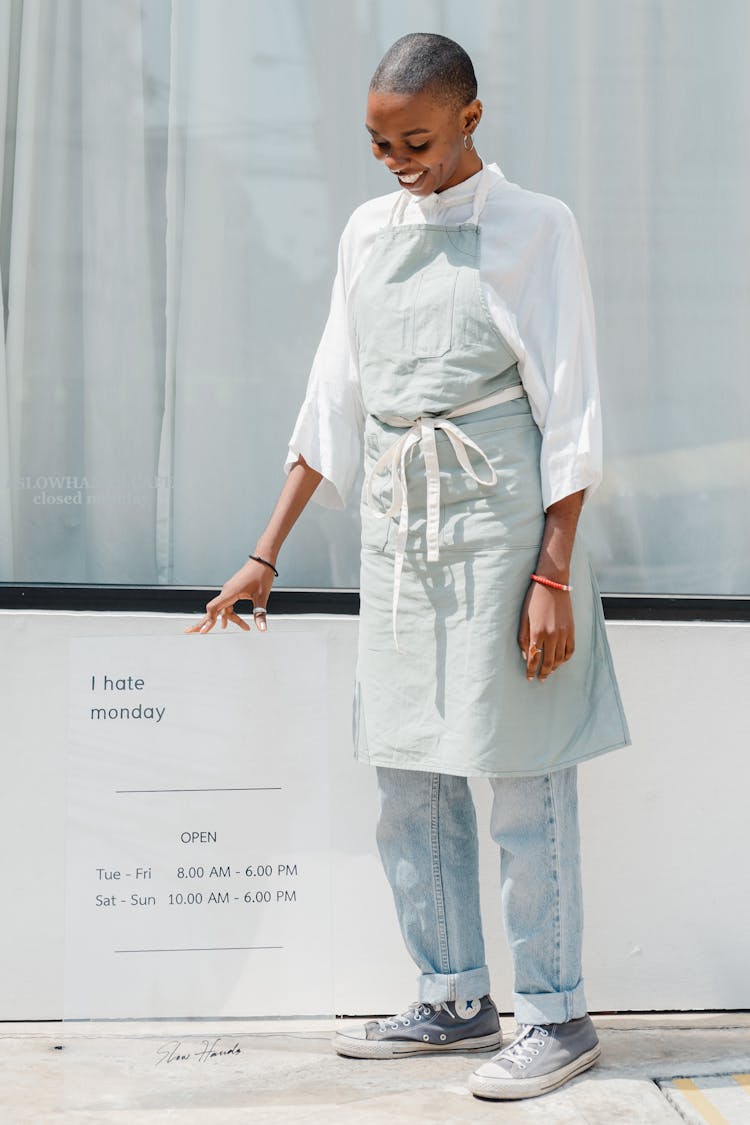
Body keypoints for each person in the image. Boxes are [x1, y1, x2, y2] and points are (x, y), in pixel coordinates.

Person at [187, 32, 630, 1102]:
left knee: (523, 775)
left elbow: (571, 409)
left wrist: (553, 573)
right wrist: (264, 554)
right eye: (379, 143)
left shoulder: (537, 227)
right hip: (401, 530)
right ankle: (451, 995)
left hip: (505, 529)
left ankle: (557, 1014)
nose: (397, 161)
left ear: (472, 118)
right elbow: (330, 397)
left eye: (417, 140)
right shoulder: (366, 232)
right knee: (410, 777)